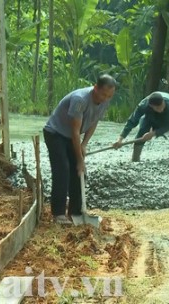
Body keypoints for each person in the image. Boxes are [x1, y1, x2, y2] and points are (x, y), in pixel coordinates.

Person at [43, 74, 116, 224]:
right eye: (103, 94)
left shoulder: (105, 101)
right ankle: (58, 214)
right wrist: (80, 160)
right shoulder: (80, 99)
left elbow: (93, 122)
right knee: (63, 169)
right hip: (56, 133)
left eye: (109, 96)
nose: (105, 98)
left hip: (72, 136)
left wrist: (84, 145)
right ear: (95, 88)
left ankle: (75, 212)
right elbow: (75, 131)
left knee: (79, 172)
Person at [113, 91, 169, 161]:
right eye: (158, 108)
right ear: (151, 106)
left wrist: (153, 133)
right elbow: (132, 121)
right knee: (142, 130)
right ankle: (135, 159)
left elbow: (167, 125)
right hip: (150, 116)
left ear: (163, 102)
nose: (161, 110)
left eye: (162, 106)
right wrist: (120, 140)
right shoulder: (143, 106)